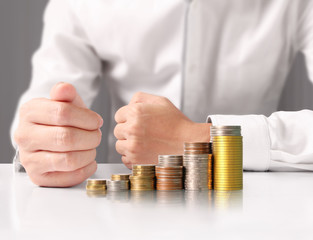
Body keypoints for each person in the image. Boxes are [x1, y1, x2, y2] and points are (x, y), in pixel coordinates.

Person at [11, 0, 313, 187]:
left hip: (256, 200)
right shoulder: (80, 4)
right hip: (131, 209)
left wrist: (197, 138)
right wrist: (49, 139)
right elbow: (38, 119)